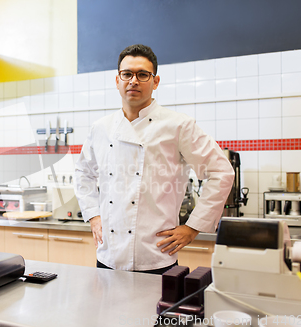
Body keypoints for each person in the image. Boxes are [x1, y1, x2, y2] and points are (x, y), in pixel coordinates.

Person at [74, 44, 235, 275]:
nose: (133, 81)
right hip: (108, 255)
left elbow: (221, 172)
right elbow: (83, 174)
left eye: (142, 75)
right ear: (117, 80)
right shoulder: (100, 128)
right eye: (127, 74)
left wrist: (193, 227)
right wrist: (93, 215)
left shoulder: (178, 125)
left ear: (155, 81)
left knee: (153, 312)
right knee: (106, 311)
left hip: (156, 256)